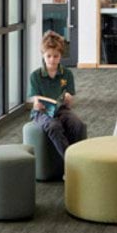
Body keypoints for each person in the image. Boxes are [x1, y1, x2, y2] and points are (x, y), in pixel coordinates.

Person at [28, 31, 85, 170]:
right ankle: (71, 165)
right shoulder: (35, 76)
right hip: (42, 113)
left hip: (61, 110)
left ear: (61, 56)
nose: (52, 60)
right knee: (54, 127)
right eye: (49, 56)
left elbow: (69, 103)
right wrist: (38, 105)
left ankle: (78, 157)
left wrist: (68, 99)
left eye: (56, 56)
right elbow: (36, 103)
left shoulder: (67, 74)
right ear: (43, 55)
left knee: (78, 125)